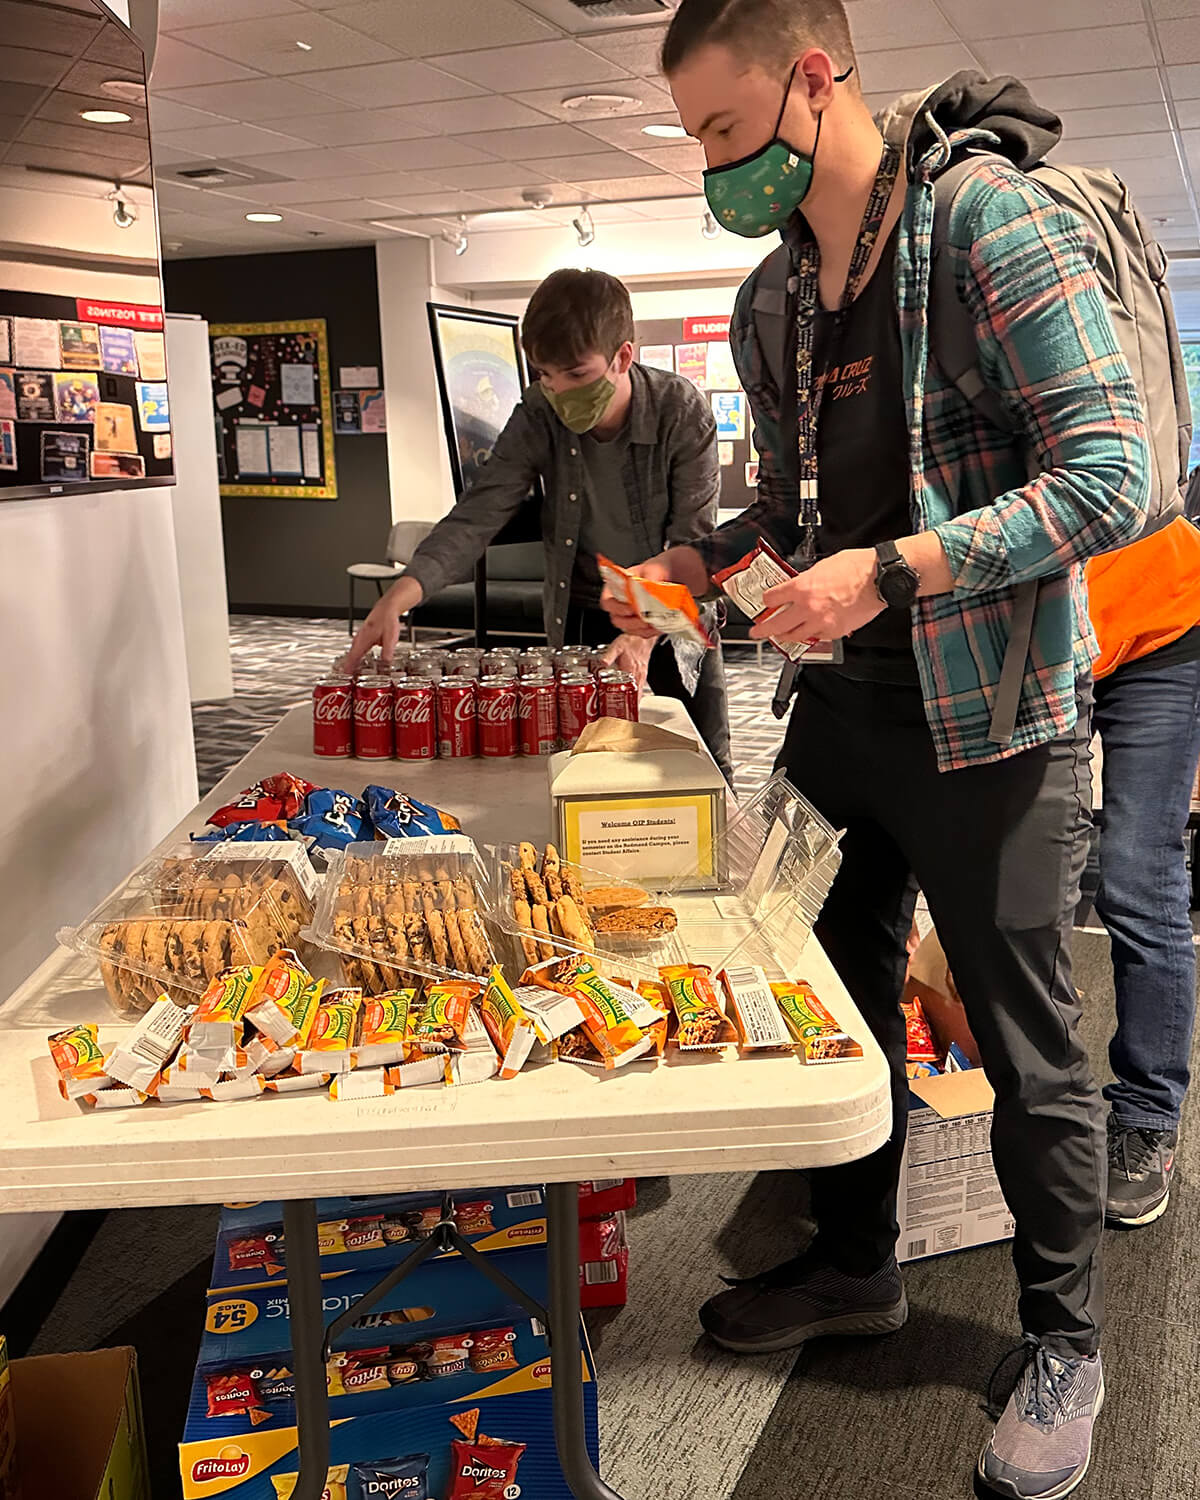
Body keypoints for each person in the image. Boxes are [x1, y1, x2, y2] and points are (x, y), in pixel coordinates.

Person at [603, 4, 1151, 1496]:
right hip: (840, 718)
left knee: (1031, 1047)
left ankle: (1068, 1343)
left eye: (723, 131)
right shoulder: (774, 297)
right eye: (694, 140)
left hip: (991, 729)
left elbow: (1117, 474)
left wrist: (901, 567)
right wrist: (688, 576)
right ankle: (858, 1263)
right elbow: (790, 512)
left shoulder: (987, 221)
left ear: (812, 76)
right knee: (832, 1006)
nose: (712, 167)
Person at [345, 268, 733, 782]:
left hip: (670, 618)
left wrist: (644, 635)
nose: (557, 390)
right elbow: (483, 507)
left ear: (623, 356)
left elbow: (693, 543)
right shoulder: (538, 410)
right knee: (583, 771)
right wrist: (403, 592)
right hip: (582, 610)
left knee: (697, 768)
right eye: (545, 375)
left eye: (575, 374)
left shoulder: (679, 411)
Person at [1080, 515, 1200, 1228]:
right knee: (1027, 869)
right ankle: (1045, 1098)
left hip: (1164, 629)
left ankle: (1148, 1114)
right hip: (1043, 648)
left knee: (1137, 869)